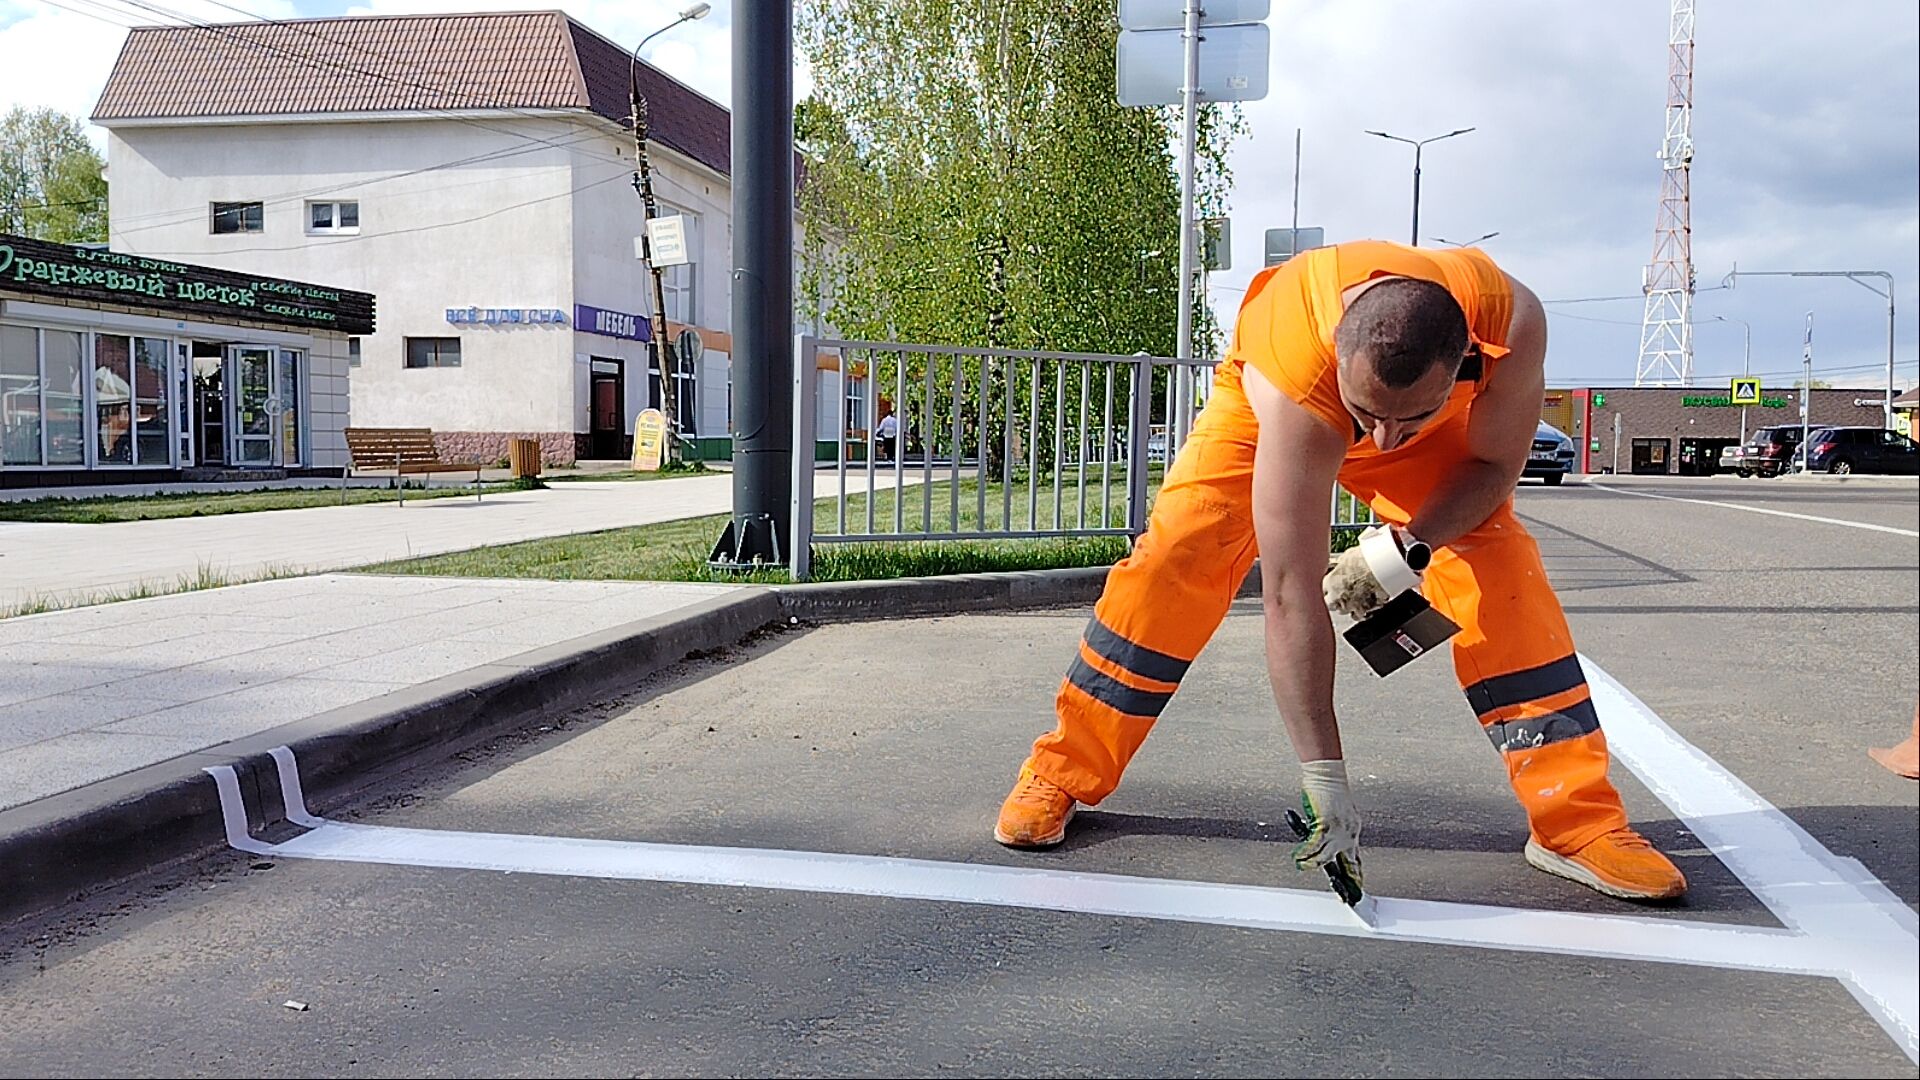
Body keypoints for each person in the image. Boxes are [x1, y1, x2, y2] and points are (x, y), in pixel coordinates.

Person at [994, 239, 1688, 902]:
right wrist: (1326, 782)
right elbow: (1291, 593)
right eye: (1369, 418)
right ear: (1338, 357)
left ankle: (1578, 823)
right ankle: (1060, 771)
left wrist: (1407, 546)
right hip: (1289, 410)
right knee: (1179, 556)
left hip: (1397, 417)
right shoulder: (1296, 371)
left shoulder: (1512, 321)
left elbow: (1494, 469)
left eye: (1407, 418)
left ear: (1464, 359)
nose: (1381, 442)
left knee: (1500, 570)